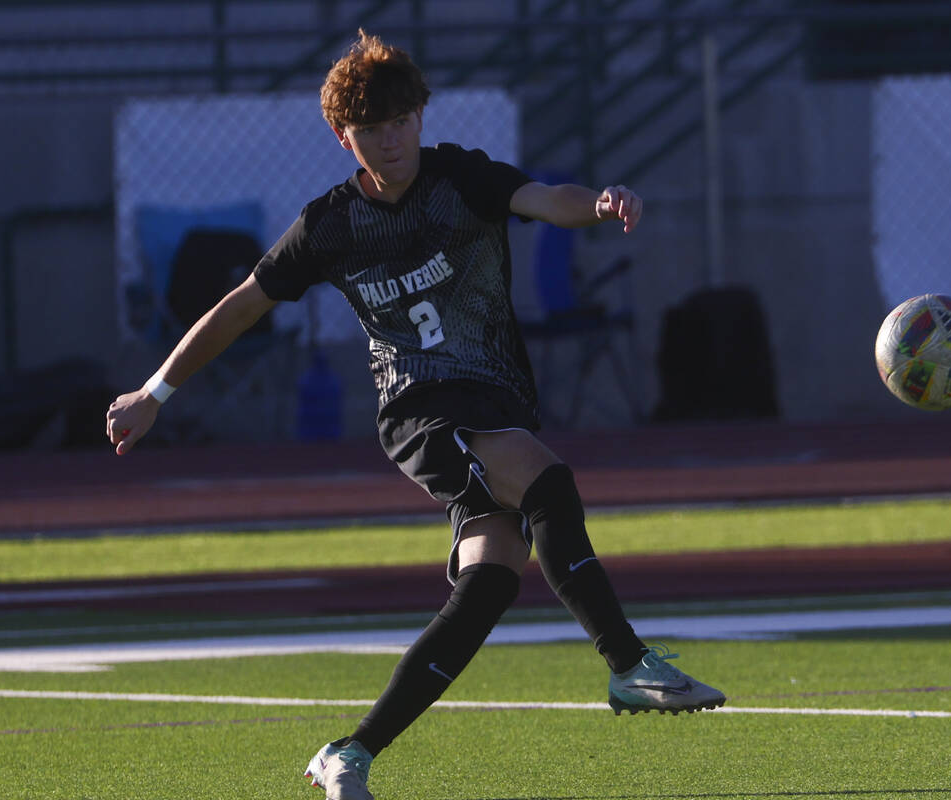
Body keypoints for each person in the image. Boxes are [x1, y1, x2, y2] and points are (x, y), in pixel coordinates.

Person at [106, 28, 725, 800]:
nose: (391, 141)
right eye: (371, 129)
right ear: (344, 137)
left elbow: (543, 199)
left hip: (492, 398)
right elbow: (239, 309)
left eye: (401, 123)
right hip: (421, 411)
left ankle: (350, 754)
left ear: (421, 118)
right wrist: (154, 392)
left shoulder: (459, 177)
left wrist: (598, 204)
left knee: (492, 579)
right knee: (545, 478)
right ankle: (629, 663)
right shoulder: (329, 225)